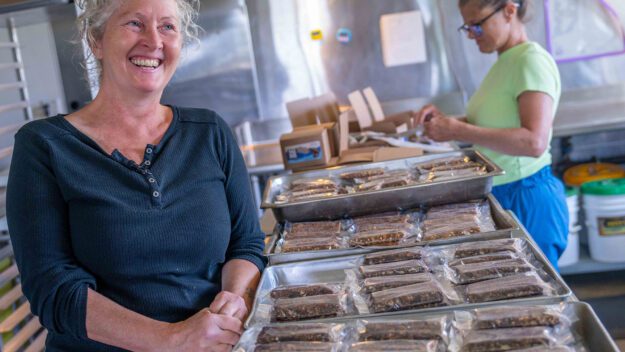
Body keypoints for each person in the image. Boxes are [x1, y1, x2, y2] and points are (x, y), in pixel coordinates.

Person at [6, 0, 266, 350]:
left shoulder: (210, 132)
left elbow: (246, 244)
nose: (154, 41)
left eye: (167, 27)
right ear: (96, 40)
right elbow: (53, 289)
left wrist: (235, 299)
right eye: (134, 23)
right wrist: (170, 339)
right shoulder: (44, 146)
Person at [415, 0, 568, 269]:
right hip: (505, 193)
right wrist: (444, 123)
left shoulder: (529, 60)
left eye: (477, 24)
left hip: (526, 195)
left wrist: (458, 129)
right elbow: (492, 122)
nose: (472, 34)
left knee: (534, 299)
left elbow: (534, 141)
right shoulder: (505, 62)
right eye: (467, 27)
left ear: (509, 10)